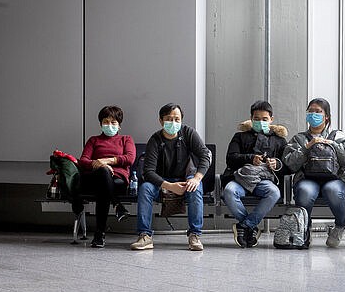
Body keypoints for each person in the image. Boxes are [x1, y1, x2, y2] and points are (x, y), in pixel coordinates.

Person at [130, 103, 211, 251]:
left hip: (186, 178)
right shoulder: (155, 139)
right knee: (145, 188)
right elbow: (148, 171)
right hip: (161, 181)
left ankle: (194, 234)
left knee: (196, 187)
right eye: (169, 119)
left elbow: (205, 155)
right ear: (161, 121)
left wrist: (197, 177)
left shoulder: (188, 133)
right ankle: (145, 236)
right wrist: (169, 186)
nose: (173, 123)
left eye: (177, 119)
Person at [283, 98, 345, 248]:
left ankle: (340, 226)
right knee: (305, 191)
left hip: (335, 179)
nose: (313, 114)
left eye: (318, 111)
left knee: (332, 190)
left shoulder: (338, 136)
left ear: (326, 116)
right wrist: (307, 147)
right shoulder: (299, 138)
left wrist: (333, 145)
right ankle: (304, 230)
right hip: (308, 179)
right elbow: (289, 163)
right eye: (311, 111)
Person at [221, 100, 288, 248]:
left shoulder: (280, 141)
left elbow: (287, 166)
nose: (260, 122)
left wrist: (276, 164)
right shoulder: (239, 136)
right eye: (256, 119)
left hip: (263, 180)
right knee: (229, 191)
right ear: (251, 119)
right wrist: (250, 158)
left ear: (271, 119)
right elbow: (230, 159)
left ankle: (245, 225)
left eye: (264, 119)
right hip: (239, 177)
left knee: (274, 193)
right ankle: (251, 228)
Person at [79, 106, 136, 248]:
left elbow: (130, 158)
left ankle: (99, 234)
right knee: (103, 175)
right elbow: (83, 161)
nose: (109, 125)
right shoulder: (93, 140)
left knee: (102, 188)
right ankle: (117, 205)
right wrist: (98, 165)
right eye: (106, 122)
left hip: (118, 181)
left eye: (113, 122)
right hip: (95, 178)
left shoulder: (126, 139)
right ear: (100, 124)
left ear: (119, 125)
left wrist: (106, 161)